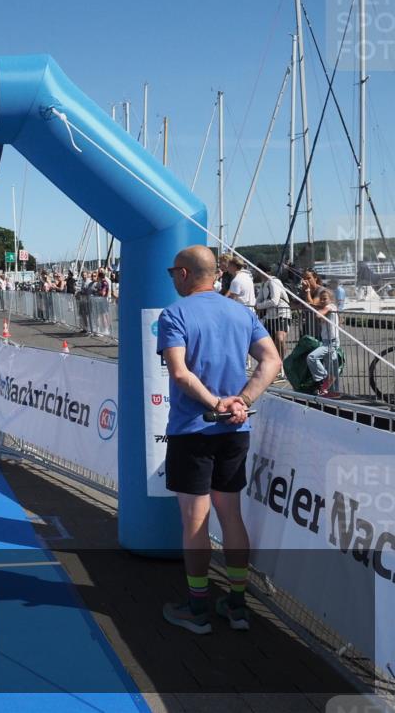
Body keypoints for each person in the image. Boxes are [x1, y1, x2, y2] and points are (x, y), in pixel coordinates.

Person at [157, 245, 281, 635]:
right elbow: (272, 361)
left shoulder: (174, 313)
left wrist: (216, 404)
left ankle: (197, 609)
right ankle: (238, 605)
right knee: (231, 515)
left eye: (171, 273)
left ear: (182, 274)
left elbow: (179, 374)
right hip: (234, 430)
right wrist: (241, 402)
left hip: (195, 429)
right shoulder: (241, 313)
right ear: (216, 275)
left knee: (195, 521)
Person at [253, 263, 291, 367]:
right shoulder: (264, 284)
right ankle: (275, 364)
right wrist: (257, 305)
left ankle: (282, 364)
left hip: (281, 313)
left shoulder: (274, 281)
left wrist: (259, 306)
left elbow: (275, 300)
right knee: (269, 341)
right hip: (270, 315)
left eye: (256, 271)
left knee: (280, 339)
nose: (255, 273)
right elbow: (259, 300)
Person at [306, 288, 340, 397]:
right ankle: (334, 392)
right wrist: (307, 291)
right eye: (320, 299)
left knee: (311, 357)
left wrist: (319, 309)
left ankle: (325, 378)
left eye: (324, 299)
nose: (322, 301)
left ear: (331, 300)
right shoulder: (327, 307)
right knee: (333, 367)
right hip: (327, 341)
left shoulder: (331, 307)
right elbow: (311, 305)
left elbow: (318, 315)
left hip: (331, 342)